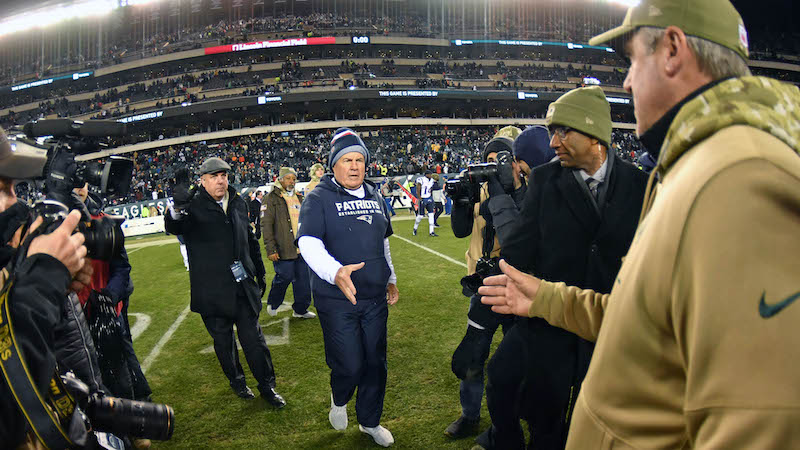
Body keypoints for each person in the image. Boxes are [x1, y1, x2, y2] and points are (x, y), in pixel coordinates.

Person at [479, 0, 800, 447]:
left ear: (672, 48)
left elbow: (764, 418)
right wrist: (549, 299)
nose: (627, 81)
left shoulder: (740, 177)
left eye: (633, 61)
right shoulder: (701, 166)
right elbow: (647, 320)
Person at [477, 87, 648, 450]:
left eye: (563, 131)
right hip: (550, 324)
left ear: (595, 133)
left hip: (607, 329)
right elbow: (519, 253)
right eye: (551, 132)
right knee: (544, 422)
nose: (553, 142)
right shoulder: (545, 180)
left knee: (593, 427)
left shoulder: (642, 186)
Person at [297, 127, 399, 447]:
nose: (354, 166)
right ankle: (339, 397)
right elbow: (308, 244)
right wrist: (335, 272)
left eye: (359, 160)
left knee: (375, 363)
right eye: (346, 160)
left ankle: (369, 421)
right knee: (350, 364)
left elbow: (382, 243)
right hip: (336, 299)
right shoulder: (318, 198)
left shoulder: (375, 195)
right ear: (334, 165)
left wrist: (391, 277)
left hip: (374, 298)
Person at [165, 157, 286, 408]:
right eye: (214, 176)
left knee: (254, 340)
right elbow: (174, 225)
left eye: (224, 176)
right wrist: (177, 207)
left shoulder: (238, 202)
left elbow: (249, 239)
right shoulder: (192, 205)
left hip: (242, 286)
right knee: (224, 343)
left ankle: (267, 386)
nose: (221, 181)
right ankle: (238, 382)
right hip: (212, 291)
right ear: (202, 180)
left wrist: (260, 271)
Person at [444, 126, 521, 440]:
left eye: (499, 159)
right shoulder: (479, 188)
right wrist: (461, 201)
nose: (492, 166)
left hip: (519, 287)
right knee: (472, 356)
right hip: (485, 285)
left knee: (516, 360)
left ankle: (511, 417)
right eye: (487, 160)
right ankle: (470, 415)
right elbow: (462, 230)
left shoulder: (527, 189)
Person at [263, 167, 315, 319]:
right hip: (283, 246)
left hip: (301, 247)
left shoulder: (299, 197)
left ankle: (300, 309)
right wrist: (270, 248)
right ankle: (273, 301)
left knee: (303, 281)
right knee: (285, 276)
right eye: (288, 178)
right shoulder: (271, 198)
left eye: (293, 178)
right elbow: (266, 224)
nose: (291, 181)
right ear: (280, 179)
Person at [412, 170, 437, 237]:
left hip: (429, 198)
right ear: (426, 174)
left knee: (431, 214)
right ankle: (415, 228)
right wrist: (420, 198)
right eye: (430, 174)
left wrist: (431, 197)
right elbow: (418, 189)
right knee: (420, 215)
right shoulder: (421, 179)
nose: (431, 175)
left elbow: (431, 189)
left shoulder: (431, 180)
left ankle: (431, 231)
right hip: (423, 198)